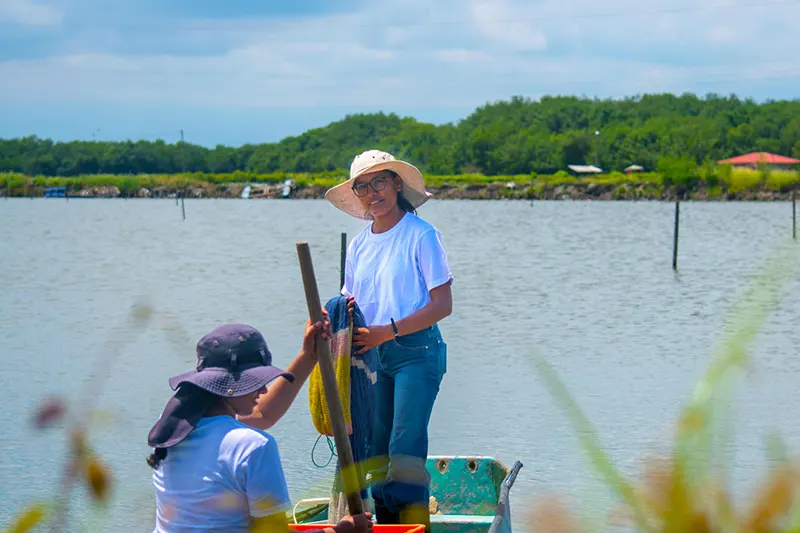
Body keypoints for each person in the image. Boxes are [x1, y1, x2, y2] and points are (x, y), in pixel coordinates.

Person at [325, 149, 453, 530]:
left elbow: (442, 304)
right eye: (362, 187)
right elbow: (349, 300)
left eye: (379, 181)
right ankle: (384, 524)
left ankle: (413, 527)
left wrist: (390, 331)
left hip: (416, 351)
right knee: (374, 449)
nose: (372, 193)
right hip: (372, 354)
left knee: (404, 449)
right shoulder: (360, 244)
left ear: (398, 183)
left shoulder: (421, 235)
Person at [146, 319, 373, 533]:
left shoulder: (174, 427)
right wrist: (340, 530)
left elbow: (262, 413)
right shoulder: (253, 446)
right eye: (254, 381)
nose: (263, 389)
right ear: (228, 386)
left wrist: (308, 356)